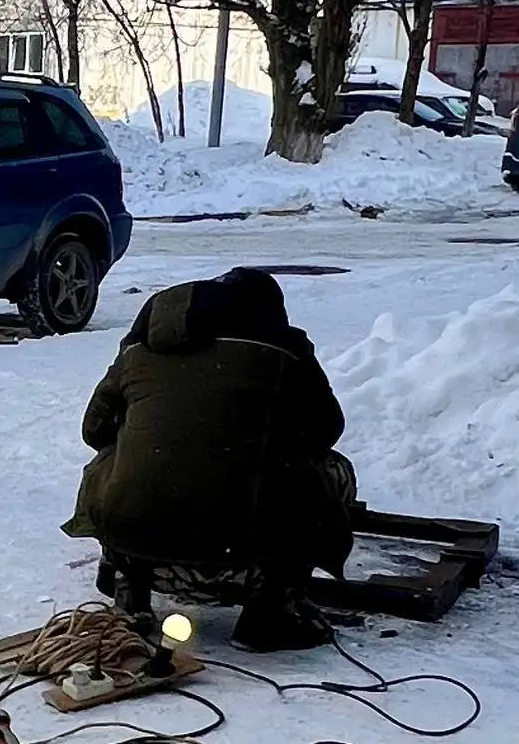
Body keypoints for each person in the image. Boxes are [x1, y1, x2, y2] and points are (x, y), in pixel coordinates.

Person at [64, 267, 356, 651]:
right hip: (239, 553)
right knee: (333, 471)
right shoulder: (284, 351)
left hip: (141, 542)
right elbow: (325, 432)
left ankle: (128, 585)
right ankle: (270, 612)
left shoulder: (137, 351)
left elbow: (94, 432)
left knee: (115, 463)